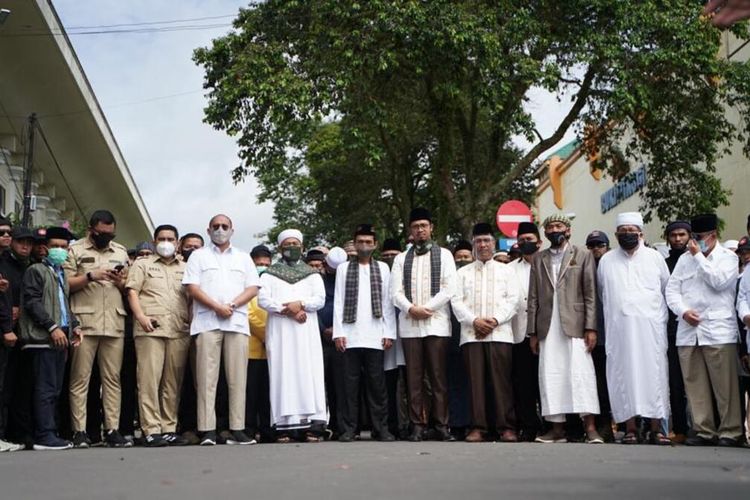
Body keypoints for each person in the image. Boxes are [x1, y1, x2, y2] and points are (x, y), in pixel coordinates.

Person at [182, 214, 260, 446]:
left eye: (224, 226)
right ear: (208, 230)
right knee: (206, 379)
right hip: (207, 322)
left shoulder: (244, 258)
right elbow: (192, 288)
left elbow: (253, 287)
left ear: (232, 230)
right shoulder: (198, 256)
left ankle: (237, 428)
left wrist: (232, 306)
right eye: (216, 226)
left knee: (237, 378)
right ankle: (207, 430)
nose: (220, 230)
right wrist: (216, 306)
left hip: (236, 321)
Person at [666, 213, 743, 446]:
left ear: (713, 235)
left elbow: (719, 282)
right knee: (695, 384)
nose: (694, 241)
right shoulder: (683, 260)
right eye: (694, 237)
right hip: (689, 332)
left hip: (718, 330)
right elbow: (671, 290)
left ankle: (730, 431)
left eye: (699, 237)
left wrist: (699, 256)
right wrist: (682, 311)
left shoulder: (728, 258)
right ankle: (703, 430)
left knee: (725, 386)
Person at [527, 214, 602, 444]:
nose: (554, 230)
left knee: (581, 374)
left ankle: (590, 428)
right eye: (549, 227)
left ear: (568, 230)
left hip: (576, 325)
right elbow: (533, 297)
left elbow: (590, 294)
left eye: (558, 226)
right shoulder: (539, 258)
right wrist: (532, 332)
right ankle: (556, 430)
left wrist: (591, 327)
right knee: (550, 375)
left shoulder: (583, 255)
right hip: (547, 326)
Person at [597, 213, 671, 445]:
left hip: (651, 330)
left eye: (632, 230)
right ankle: (629, 428)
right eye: (623, 231)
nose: (627, 234)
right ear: (617, 234)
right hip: (619, 331)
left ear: (641, 233)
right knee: (623, 376)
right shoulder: (607, 260)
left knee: (654, 375)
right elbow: (603, 294)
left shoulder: (655, 258)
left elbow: (665, 288)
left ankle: (656, 428)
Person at [64, 210, 131, 448]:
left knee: (112, 379)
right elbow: (66, 284)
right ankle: (79, 431)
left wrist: (119, 281)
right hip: (85, 323)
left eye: (110, 233)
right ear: (91, 229)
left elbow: (128, 287)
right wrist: (91, 275)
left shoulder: (120, 251)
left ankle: (112, 429)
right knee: (80, 379)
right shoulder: (76, 250)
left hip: (114, 323)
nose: (106, 237)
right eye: (102, 233)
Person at [391, 207, 458, 442]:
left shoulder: (445, 255)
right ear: (410, 230)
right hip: (410, 325)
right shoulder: (401, 259)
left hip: (436, 324)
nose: (420, 230)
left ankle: (441, 425)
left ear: (431, 228)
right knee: (414, 379)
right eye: (416, 226)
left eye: (424, 226)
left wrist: (426, 308)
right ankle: (417, 425)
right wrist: (411, 308)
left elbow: (449, 288)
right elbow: (395, 292)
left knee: (438, 378)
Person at [451, 223, 521, 443]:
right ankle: (477, 427)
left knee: (501, 382)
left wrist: (494, 321)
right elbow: (456, 301)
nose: (482, 245)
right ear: (473, 245)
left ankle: (506, 427)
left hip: (500, 333)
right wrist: (474, 321)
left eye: (486, 241)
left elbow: (514, 300)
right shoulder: (462, 273)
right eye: (478, 241)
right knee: (475, 383)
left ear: (494, 243)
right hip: (471, 335)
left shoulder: (507, 270)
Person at [258, 229, 327, 442]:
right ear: (279, 248)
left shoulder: (312, 274)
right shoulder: (269, 274)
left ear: (302, 247)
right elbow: (263, 300)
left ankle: (312, 426)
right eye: (287, 244)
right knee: (283, 372)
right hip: (281, 331)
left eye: (295, 244)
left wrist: (302, 304)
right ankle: (284, 427)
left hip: (306, 332)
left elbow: (320, 299)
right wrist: (288, 310)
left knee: (309, 373)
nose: (292, 248)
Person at [18, 227, 83, 450]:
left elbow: (63, 306)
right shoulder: (36, 270)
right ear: (44, 248)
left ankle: (50, 432)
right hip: (41, 338)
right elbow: (32, 303)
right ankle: (43, 435)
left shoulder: (60, 273)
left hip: (59, 339)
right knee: (44, 388)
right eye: (55, 246)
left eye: (64, 247)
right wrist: (52, 327)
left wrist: (74, 326)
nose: (60, 251)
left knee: (54, 388)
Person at [126, 224, 190, 447]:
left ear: (178, 242)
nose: (166, 243)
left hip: (179, 330)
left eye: (170, 239)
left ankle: (168, 427)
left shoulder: (186, 267)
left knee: (173, 383)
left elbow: (191, 296)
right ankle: (151, 429)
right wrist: (141, 317)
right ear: (154, 242)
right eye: (161, 238)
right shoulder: (142, 264)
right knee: (149, 380)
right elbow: (132, 291)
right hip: (150, 329)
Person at [333, 224, 396, 442]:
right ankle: (349, 428)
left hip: (375, 335)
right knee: (349, 385)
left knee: (377, 386)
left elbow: (387, 303)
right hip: (349, 335)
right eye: (360, 242)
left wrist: (389, 332)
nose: (364, 246)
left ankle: (381, 428)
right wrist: (338, 333)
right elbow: (339, 302)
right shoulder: (343, 269)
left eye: (369, 242)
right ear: (354, 244)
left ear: (375, 245)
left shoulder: (383, 268)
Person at [0, 226, 36, 448]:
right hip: (7, 331)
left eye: (29, 242)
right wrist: (6, 326)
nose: (25, 245)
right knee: (3, 384)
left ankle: (17, 433)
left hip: (24, 334)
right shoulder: (4, 264)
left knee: (20, 386)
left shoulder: (30, 268)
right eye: (20, 240)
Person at [509, 221, 543, 442]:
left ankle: (553, 425)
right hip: (519, 333)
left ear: (539, 242)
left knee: (547, 380)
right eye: (521, 241)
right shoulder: (509, 269)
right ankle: (529, 425)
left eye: (529, 240)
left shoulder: (549, 263)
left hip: (547, 333)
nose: (525, 244)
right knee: (524, 382)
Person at [664, 220, 692, 443]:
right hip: (672, 331)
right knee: (675, 383)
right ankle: (681, 429)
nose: (678, 239)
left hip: (697, 328)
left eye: (682, 234)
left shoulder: (696, 261)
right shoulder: (663, 264)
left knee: (699, 381)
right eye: (673, 235)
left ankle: (707, 427)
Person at [585, 229, 613, 441]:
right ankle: (603, 426)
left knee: (616, 382)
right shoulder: (586, 268)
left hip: (615, 335)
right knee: (598, 384)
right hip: (594, 337)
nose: (596, 249)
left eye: (600, 245)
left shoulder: (614, 265)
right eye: (592, 246)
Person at [246, 244, 274, 443]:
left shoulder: (273, 283)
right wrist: (265, 334)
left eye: (266, 264)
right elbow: (247, 313)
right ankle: (248, 429)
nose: (262, 267)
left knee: (268, 392)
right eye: (259, 264)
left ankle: (267, 429)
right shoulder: (244, 284)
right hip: (251, 347)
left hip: (272, 348)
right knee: (250, 392)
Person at [319, 246, 347, 439]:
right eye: (331, 269)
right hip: (319, 338)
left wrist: (338, 330)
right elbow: (314, 306)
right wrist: (323, 329)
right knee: (321, 384)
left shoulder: (348, 280)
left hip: (342, 337)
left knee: (341, 383)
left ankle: (340, 425)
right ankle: (321, 424)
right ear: (324, 265)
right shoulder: (317, 281)